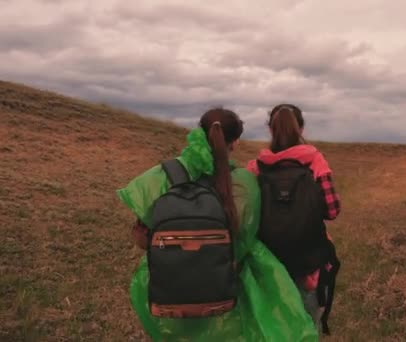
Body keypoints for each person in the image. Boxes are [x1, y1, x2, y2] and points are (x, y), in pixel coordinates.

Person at [117, 108, 318, 341]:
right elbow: (244, 240)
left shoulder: (161, 175)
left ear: (200, 131)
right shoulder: (245, 183)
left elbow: (142, 238)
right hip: (227, 295)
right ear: (235, 142)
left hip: (171, 295)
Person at [246, 104, 341, 334]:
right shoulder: (315, 160)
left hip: (268, 265)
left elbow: (246, 217)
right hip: (310, 266)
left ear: (270, 130)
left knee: (272, 328)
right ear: (301, 128)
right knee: (308, 327)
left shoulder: (255, 168)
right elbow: (332, 210)